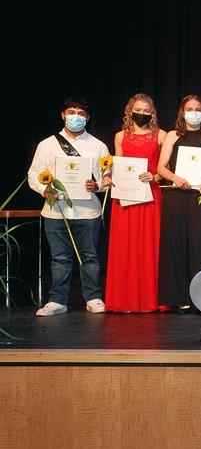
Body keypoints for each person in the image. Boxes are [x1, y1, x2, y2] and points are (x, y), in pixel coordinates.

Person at [28, 97, 109, 316]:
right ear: (63, 115)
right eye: (71, 112)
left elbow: (107, 178)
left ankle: (93, 297)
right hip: (56, 210)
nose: (76, 117)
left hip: (88, 210)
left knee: (90, 257)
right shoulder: (47, 145)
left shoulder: (98, 145)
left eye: (81, 113)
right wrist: (44, 190)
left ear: (87, 118)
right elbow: (34, 174)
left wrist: (98, 185)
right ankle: (57, 300)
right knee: (59, 258)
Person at [157, 95, 201, 310]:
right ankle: (176, 298)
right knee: (174, 245)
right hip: (175, 196)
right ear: (182, 112)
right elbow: (161, 167)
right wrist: (175, 178)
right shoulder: (172, 135)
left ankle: (198, 298)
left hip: (199, 197)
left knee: (198, 244)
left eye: (197, 109)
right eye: (189, 109)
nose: (193, 112)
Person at [103, 93, 166, 312]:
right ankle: (123, 300)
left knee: (150, 246)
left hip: (151, 196)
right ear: (130, 111)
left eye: (147, 111)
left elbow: (166, 168)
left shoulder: (161, 136)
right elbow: (116, 164)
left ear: (153, 113)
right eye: (138, 110)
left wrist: (155, 176)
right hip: (125, 198)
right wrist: (109, 176)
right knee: (124, 247)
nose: (142, 114)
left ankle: (151, 300)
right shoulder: (120, 136)